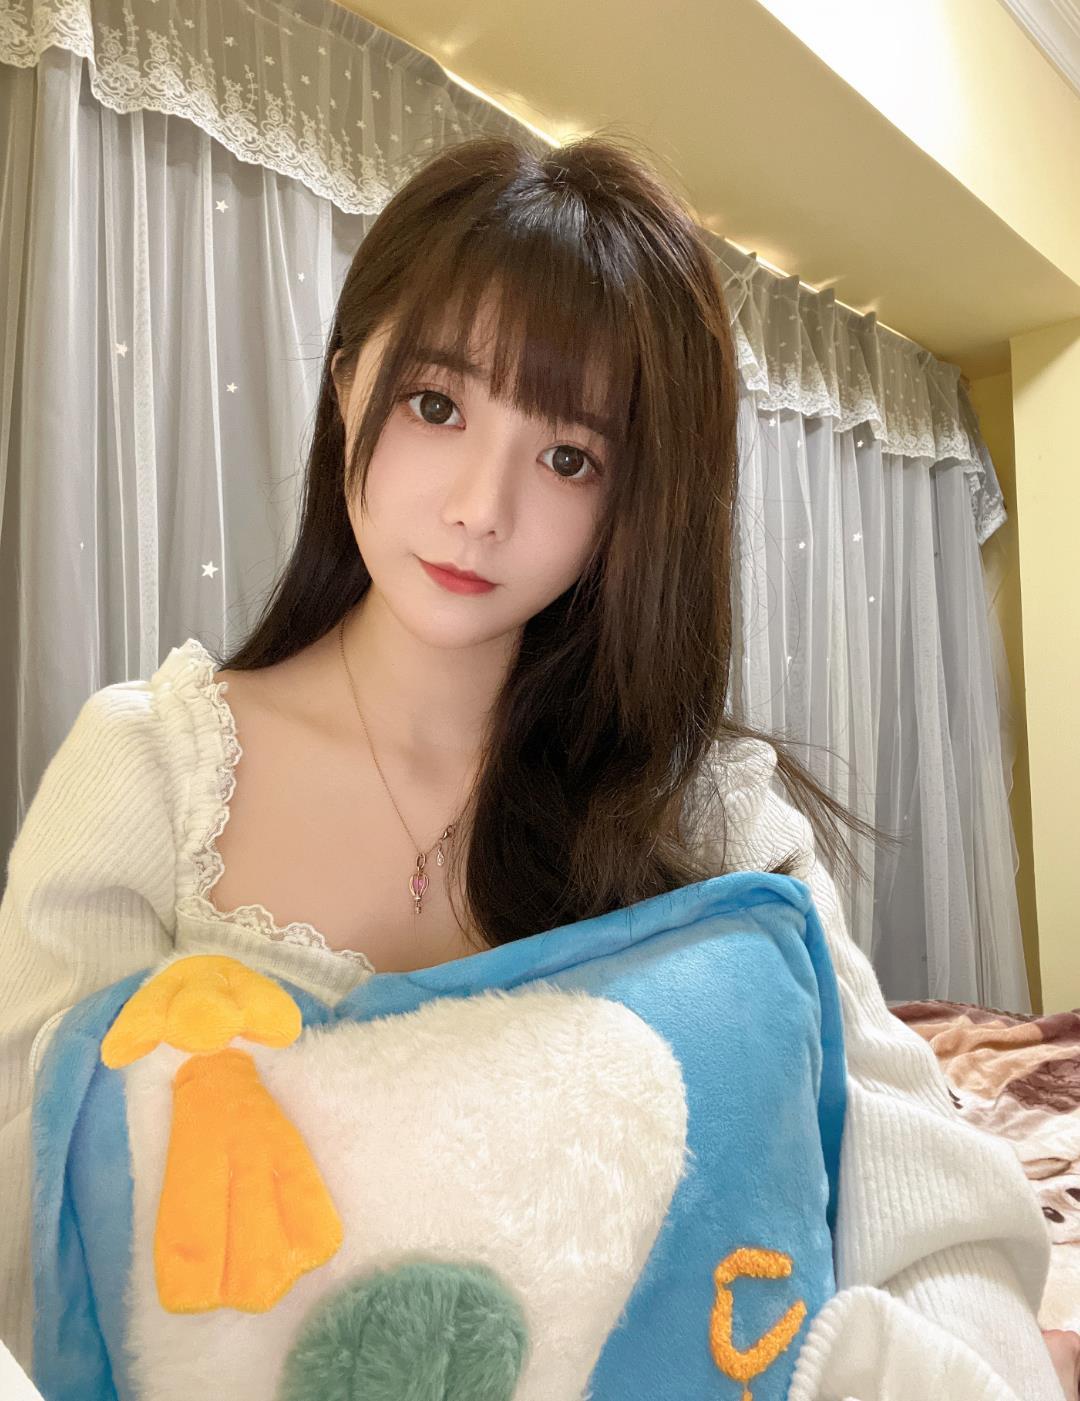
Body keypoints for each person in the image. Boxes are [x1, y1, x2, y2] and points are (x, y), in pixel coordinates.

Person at [0, 132, 1074, 1399]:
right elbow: (33, 1225)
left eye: (569, 457)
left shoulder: (707, 813)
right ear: (347, 385)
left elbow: (926, 1203)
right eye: (436, 405)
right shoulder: (150, 773)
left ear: (633, 506)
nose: (481, 507)